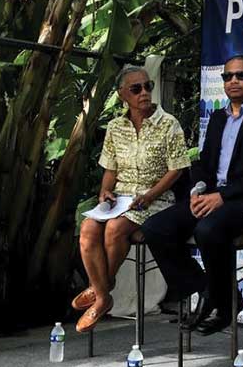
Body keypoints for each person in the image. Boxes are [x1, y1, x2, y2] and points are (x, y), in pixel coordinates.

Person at [141, 54, 243, 335]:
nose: (233, 81)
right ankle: (214, 292)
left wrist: (223, 196)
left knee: (208, 229)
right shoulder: (218, 118)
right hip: (212, 196)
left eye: (241, 75)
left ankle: (221, 304)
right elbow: (204, 163)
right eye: (227, 76)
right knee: (155, 228)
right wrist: (198, 191)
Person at [73, 66, 191, 332]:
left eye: (147, 86)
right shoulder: (115, 127)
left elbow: (177, 169)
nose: (144, 93)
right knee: (88, 229)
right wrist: (105, 192)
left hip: (155, 198)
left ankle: (100, 292)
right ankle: (103, 294)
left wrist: (149, 195)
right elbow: (110, 169)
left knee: (115, 229)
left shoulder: (168, 123)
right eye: (136, 89)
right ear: (122, 94)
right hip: (122, 198)